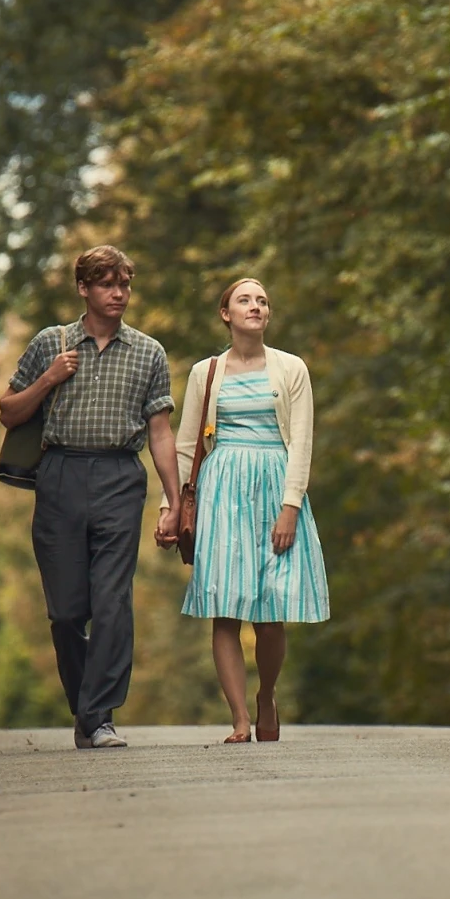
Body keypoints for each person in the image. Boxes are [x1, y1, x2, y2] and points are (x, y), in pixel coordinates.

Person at [0, 246, 181, 749]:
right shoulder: (50, 343)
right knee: (65, 611)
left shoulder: (149, 352)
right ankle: (86, 706)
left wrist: (176, 500)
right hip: (59, 476)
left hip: (120, 478)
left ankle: (98, 716)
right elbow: (10, 412)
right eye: (106, 284)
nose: (118, 293)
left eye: (124, 284)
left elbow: (161, 432)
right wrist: (49, 378)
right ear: (84, 288)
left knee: (112, 598)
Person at [162, 278, 329, 744]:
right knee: (225, 609)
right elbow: (186, 445)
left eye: (262, 301)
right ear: (225, 314)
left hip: (275, 486)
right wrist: (169, 507)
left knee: (271, 613)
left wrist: (290, 506)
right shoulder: (206, 372)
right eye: (245, 300)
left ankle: (266, 694)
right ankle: (239, 719)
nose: (255, 306)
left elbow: (302, 443)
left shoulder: (292, 368)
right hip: (222, 493)